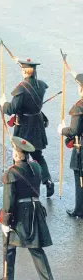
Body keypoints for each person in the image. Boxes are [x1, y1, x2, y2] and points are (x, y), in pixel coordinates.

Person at [0, 136, 55, 280]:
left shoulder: (12, 173)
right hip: (36, 210)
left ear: (16, 154)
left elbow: (8, 200)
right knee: (36, 249)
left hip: (20, 214)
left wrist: (6, 223)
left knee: (8, 246)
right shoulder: (36, 168)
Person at [0, 58, 55, 197]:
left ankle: (18, 184)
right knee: (38, 156)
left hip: (24, 126)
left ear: (24, 71)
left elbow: (12, 109)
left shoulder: (21, 89)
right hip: (37, 123)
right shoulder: (41, 85)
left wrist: (3, 103)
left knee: (19, 156)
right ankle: (47, 180)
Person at [58, 73, 83, 218]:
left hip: (81, 150)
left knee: (80, 180)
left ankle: (79, 210)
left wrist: (62, 130)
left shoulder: (80, 107)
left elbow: (74, 130)